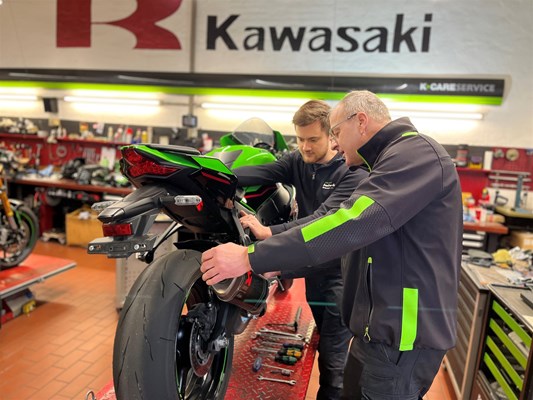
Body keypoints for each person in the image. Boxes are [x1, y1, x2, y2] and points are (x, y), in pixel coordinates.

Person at [201, 90, 462, 399]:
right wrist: (279, 266)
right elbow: (347, 243)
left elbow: (346, 223)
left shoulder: (414, 155)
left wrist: (251, 257)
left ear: (361, 121)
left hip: (402, 338)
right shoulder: (382, 163)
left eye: (336, 132)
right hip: (376, 331)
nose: (334, 144)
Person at [233, 100, 367, 400]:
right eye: (300, 139)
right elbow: (262, 173)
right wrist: (216, 176)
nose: (305, 147)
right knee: (323, 343)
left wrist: (271, 235)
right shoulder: (298, 161)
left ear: (332, 136)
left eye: (313, 139)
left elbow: (322, 221)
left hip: (340, 277)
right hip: (314, 273)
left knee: (333, 362)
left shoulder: (352, 172)